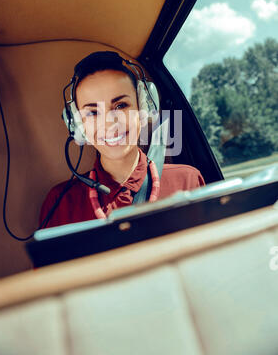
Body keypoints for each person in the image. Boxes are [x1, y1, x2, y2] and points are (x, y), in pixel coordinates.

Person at [39, 51, 205, 229]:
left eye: (120, 105)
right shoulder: (60, 204)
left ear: (143, 107)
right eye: (93, 112)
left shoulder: (187, 180)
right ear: (78, 125)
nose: (110, 122)